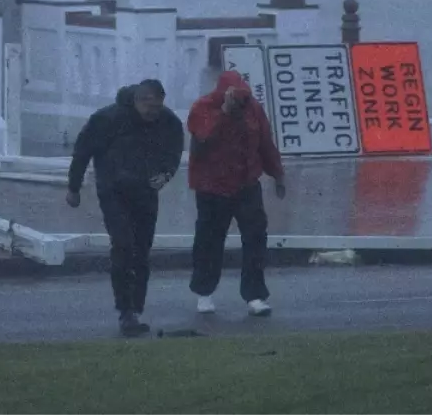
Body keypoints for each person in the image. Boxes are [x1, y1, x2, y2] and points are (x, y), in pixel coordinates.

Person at [65, 79, 184, 337]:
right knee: (123, 245)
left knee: (141, 251)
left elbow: (174, 151)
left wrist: (165, 174)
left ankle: (135, 307)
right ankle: (125, 310)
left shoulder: (168, 121)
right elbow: (82, 151)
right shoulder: (108, 119)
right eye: (149, 108)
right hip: (113, 192)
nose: (154, 114)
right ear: (138, 101)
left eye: (158, 108)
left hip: (146, 192)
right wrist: (73, 187)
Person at [187, 70, 286, 317]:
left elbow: (265, 142)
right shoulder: (202, 108)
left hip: (246, 183)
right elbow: (203, 141)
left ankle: (254, 295)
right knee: (209, 241)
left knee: (255, 238)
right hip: (212, 187)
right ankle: (204, 292)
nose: (242, 104)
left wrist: (277, 174)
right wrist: (225, 114)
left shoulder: (253, 108)